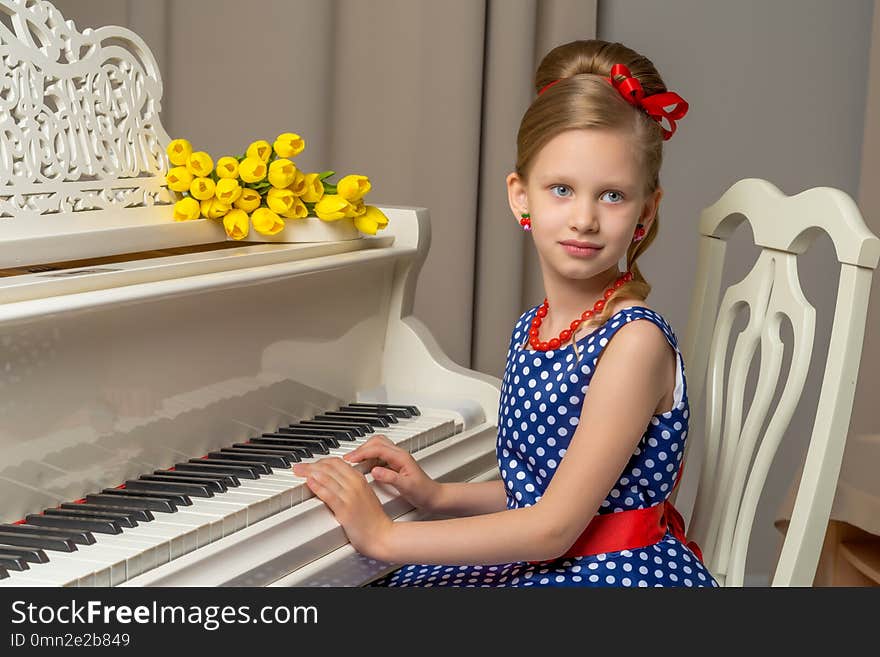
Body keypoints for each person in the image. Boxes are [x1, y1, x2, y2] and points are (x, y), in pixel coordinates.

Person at [292, 38, 718, 587]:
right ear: (520, 196)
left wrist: (385, 536)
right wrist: (437, 494)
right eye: (561, 189)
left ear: (646, 209)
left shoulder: (633, 343)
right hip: (547, 563)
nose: (584, 218)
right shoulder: (535, 327)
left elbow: (552, 527)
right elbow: (544, 489)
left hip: (611, 576)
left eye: (612, 195)